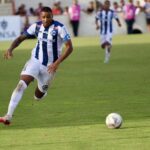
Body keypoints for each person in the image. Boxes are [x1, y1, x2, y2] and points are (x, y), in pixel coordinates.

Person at [0, 7, 73, 125]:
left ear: (52, 17)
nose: (45, 19)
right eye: (43, 17)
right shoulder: (36, 26)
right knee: (21, 85)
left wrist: (56, 63)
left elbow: (70, 47)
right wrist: (10, 48)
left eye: (48, 17)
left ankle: (41, 92)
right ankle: (8, 115)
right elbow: (20, 38)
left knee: (38, 96)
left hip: (50, 67)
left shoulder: (59, 28)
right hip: (35, 60)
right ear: (40, 17)